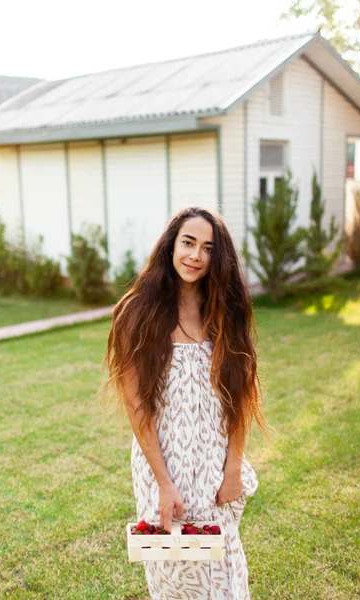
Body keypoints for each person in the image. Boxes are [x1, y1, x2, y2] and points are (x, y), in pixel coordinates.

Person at [104, 206, 269, 599]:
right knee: (174, 570)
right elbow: (137, 409)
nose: (196, 256)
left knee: (225, 570)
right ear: (171, 246)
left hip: (214, 459)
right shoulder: (138, 313)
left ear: (218, 258)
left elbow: (240, 397)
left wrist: (232, 468)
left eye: (208, 248)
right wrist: (163, 482)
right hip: (163, 461)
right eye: (188, 243)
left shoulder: (225, 315)